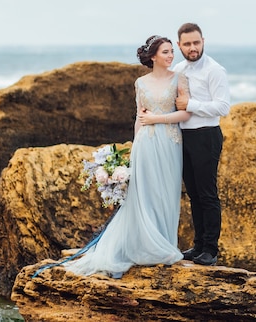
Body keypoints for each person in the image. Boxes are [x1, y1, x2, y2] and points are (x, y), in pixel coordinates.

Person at [61, 35, 191, 278]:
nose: (171, 56)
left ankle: (164, 245)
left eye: (171, 51)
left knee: (167, 194)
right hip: (146, 144)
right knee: (144, 195)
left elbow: (185, 114)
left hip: (170, 142)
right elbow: (138, 117)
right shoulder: (140, 83)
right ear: (153, 57)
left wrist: (157, 119)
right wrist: (132, 150)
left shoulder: (179, 79)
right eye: (165, 52)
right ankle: (146, 247)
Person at [173, 23, 230, 266]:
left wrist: (191, 104)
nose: (193, 47)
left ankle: (211, 249)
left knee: (207, 194)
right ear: (179, 45)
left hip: (206, 135)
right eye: (187, 44)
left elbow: (223, 107)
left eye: (196, 42)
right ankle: (197, 245)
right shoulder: (177, 70)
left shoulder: (215, 70)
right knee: (193, 194)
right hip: (183, 137)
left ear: (203, 41)